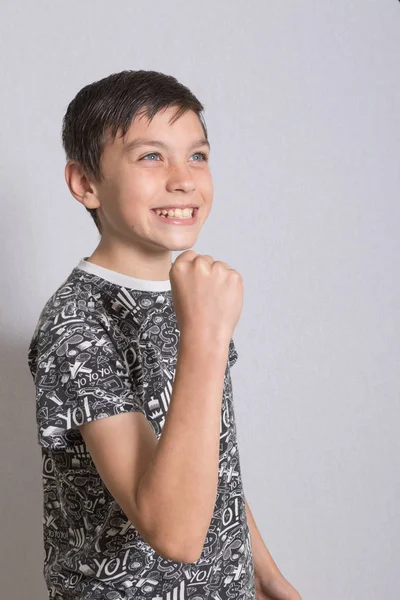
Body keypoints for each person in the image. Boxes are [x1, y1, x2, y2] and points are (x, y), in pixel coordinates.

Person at [28, 70, 301, 600]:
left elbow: (208, 456)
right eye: (151, 156)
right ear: (86, 184)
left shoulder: (187, 295)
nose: (183, 178)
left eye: (197, 155)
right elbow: (172, 534)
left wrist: (263, 574)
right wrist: (205, 335)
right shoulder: (77, 321)